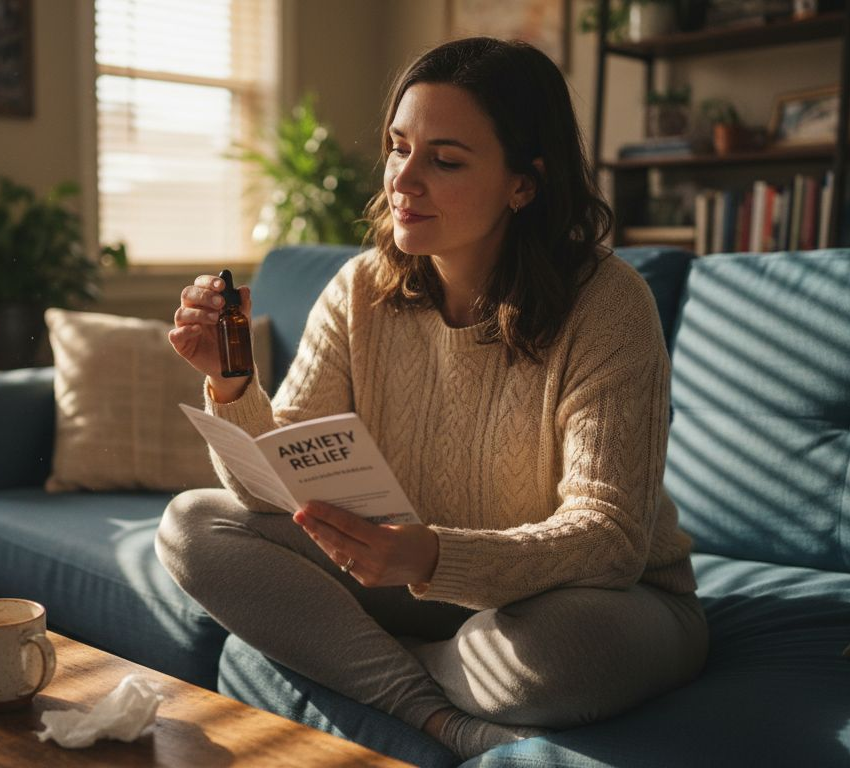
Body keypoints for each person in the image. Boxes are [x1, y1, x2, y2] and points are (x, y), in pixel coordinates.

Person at [157, 37, 708, 760]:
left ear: (524, 183)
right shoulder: (360, 290)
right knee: (192, 525)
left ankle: (365, 664)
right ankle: (437, 714)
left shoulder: (608, 304)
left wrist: (429, 558)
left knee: (552, 657)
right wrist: (232, 384)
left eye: (444, 160)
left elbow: (609, 539)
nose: (402, 181)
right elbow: (275, 493)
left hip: (581, 598)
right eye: (397, 147)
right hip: (408, 576)